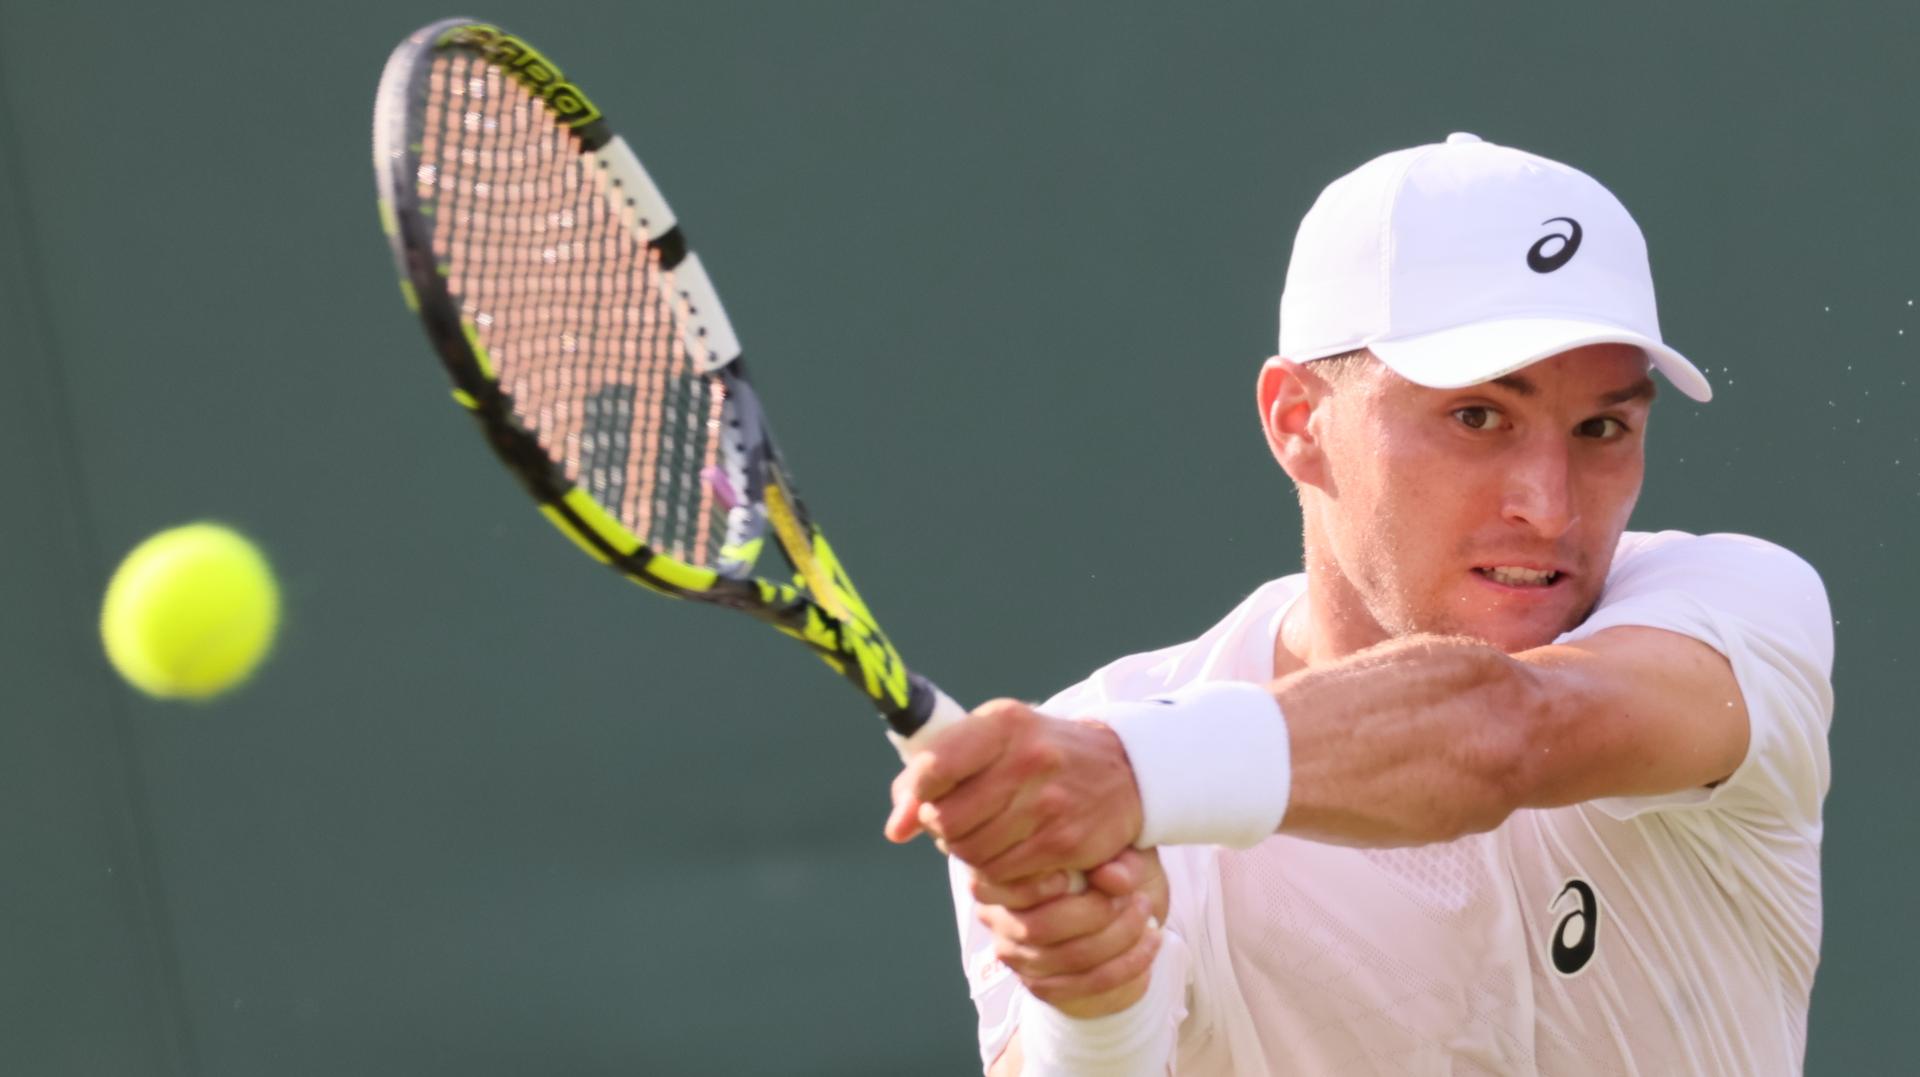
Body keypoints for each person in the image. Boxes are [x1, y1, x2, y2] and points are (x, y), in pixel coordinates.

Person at [886, 133, 1834, 1075]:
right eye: (1477, 416)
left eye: (1602, 427)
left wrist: (1131, 770)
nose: (1549, 505)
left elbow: (1502, 723)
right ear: (1299, 421)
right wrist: (1095, 1008)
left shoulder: (1738, 612)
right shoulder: (1078, 766)